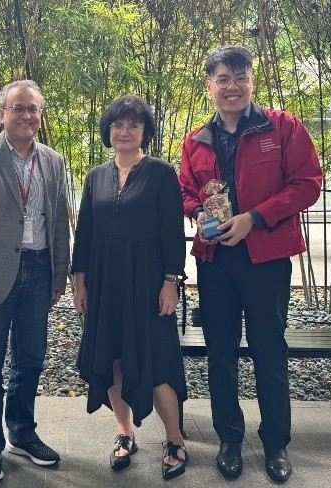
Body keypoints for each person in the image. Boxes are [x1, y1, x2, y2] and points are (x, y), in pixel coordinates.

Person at [179, 45, 322, 483]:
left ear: (251, 82)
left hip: (266, 258)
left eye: (240, 77)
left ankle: (277, 443)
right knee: (220, 352)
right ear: (209, 86)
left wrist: (254, 218)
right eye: (222, 79)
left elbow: (308, 184)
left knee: (269, 350)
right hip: (216, 260)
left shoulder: (282, 127)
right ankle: (229, 439)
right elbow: (186, 191)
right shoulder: (195, 140)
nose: (232, 86)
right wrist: (197, 213)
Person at [0, 80, 70, 483]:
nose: (26, 116)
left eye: (33, 109)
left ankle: (22, 432)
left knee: (31, 358)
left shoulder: (53, 161)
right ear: (2, 113)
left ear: (41, 114)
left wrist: (60, 275)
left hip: (39, 270)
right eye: (18, 108)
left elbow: (59, 222)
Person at [71, 95, 188, 480]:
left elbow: (173, 234)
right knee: (113, 357)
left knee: (155, 361)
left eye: (134, 125)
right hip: (105, 284)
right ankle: (125, 433)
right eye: (118, 125)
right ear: (108, 131)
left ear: (145, 132)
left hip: (148, 284)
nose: (125, 132)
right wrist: (80, 282)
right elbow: (84, 233)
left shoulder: (160, 173)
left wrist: (170, 281)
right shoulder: (95, 177)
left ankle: (175, 439)